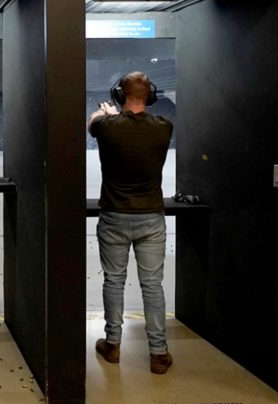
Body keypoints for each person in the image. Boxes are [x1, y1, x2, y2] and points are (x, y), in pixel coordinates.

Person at [88, 71, 174, 375]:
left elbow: (93, 123)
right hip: (151, 217)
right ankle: (158, 353)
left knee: (114, 281)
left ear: (119, 96)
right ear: (149, 95)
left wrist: (107, 112)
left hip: (114, 216)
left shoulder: (107, 126)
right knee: (152, 285)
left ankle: (112, 344)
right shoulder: (164, 127)